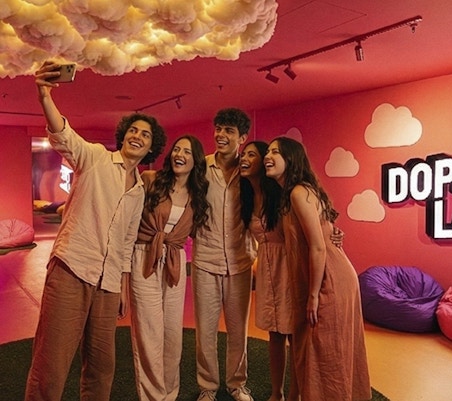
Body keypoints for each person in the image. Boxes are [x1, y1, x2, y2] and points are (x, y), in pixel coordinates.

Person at [24, 60, 167, 401]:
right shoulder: (96, 158)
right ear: (124, 135)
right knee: (52, 364)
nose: (137, 136)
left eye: (145, 134)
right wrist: (45, 96)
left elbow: (127, 242)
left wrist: (122, 286)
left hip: (108, 284)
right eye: (133, 130)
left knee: (102, 368)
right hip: (71, 269)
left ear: (151, 148)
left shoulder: (139, 190)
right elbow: (64, 135)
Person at [264, 137, 372, 401]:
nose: (268, 156)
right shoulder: (297, 193)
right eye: (268, 151)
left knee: (325, 350)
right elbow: (325, 232)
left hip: (328, 279)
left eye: (276, 152)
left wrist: (313, 295)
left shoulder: (298, 193)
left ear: (291, 159)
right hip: (332, 274)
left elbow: (318, 247)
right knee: (328, 349)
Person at [240, 141, 346, 401]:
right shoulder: (244, 196)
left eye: (253, 154)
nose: (245, 159)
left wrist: (334, 234)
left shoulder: (283, 192)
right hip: (266, 270)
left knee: (296, 335)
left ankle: (295, 394)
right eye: (244, 155)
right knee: (274, 334)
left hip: (290, 265)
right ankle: (277, 393)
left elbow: (318, 225)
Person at [129, 135, 210, 401]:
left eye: (187, 152)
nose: (179, 155)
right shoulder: (151, 180)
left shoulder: (198, 196)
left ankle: (169, 393)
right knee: (149, 331)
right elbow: (127, 216)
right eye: (176, 149)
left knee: (173, 332)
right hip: (144, 256)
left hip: (175, 259)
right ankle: (152, 396)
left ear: (195, 160)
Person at [191, 108, 257, 401]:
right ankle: (207, 387)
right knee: (205, 331)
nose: (221, 135)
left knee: (238, 330)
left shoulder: (250, 171)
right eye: (218, 128)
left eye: (229, 130)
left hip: (240, 261)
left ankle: (236, 384)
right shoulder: (200, 168)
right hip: (205, 260)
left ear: (242, 138)